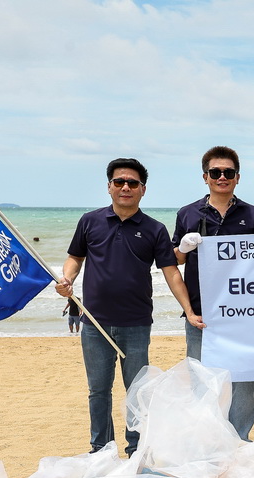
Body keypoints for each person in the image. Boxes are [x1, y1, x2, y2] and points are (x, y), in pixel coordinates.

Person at [56, 158, 203, 455]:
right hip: (94, 323)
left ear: (143, 190)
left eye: (132, 183)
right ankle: (101, 449)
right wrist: (67, 280)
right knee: (98, 391)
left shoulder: (154, 229)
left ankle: (136, 448)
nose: (126, 187)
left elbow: (172, 272)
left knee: (137, 392)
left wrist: (188, 310)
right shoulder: (90, 221)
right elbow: (75, 258)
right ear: (109, 187)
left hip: (136, 324)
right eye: (119, 182)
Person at [172, 146, 254, 440]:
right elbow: (174, 260)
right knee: (203, 384)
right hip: (201, 315)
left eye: (228, 173)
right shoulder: (187, 213)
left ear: (238, 177)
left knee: (243, 383)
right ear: (205, 177)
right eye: (216, 173)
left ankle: (240, 440)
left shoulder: (252, 215)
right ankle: (207, 442)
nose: (222, 177)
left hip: (242, 315)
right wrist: (183, 248)